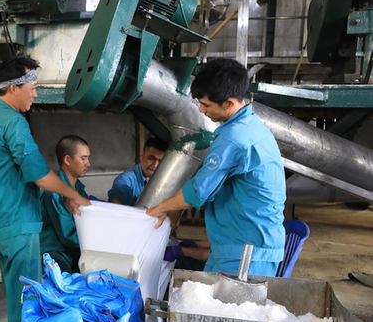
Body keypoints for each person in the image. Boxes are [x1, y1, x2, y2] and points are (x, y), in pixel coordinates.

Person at [0, 54, 91, 322]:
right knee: (26, 304)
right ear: (14, 87)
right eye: (33, 87)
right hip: (17, 222)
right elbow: (39, 174)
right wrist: (73, 195)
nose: (36, 94)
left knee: (19, 298)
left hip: (2, 219)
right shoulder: (12, 121)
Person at [146, 58, 286, 276]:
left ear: (229, 103)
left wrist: (161, 208)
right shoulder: (250, 127)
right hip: (236, 245)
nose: (201, 110)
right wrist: (176, 207)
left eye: (206, 105)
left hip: (246, 252)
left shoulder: (234, 139)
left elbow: (199, 191)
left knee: (228, 300)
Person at [39, 135, 91, 274]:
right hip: (54, 252)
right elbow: (67, 235)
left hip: (72, 250)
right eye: (83, 158)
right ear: (67, 160)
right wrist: (96, 239)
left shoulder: (79, 189)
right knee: (65, 280)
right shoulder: (53, 193)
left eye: (88, 158)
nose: (88, 164)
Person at [108, 137, 168, 206]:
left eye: (160, 161)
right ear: (141, 156)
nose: (155, 165)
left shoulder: (167, 178)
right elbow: (116, 201)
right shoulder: (126, 179)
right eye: (151, 159)